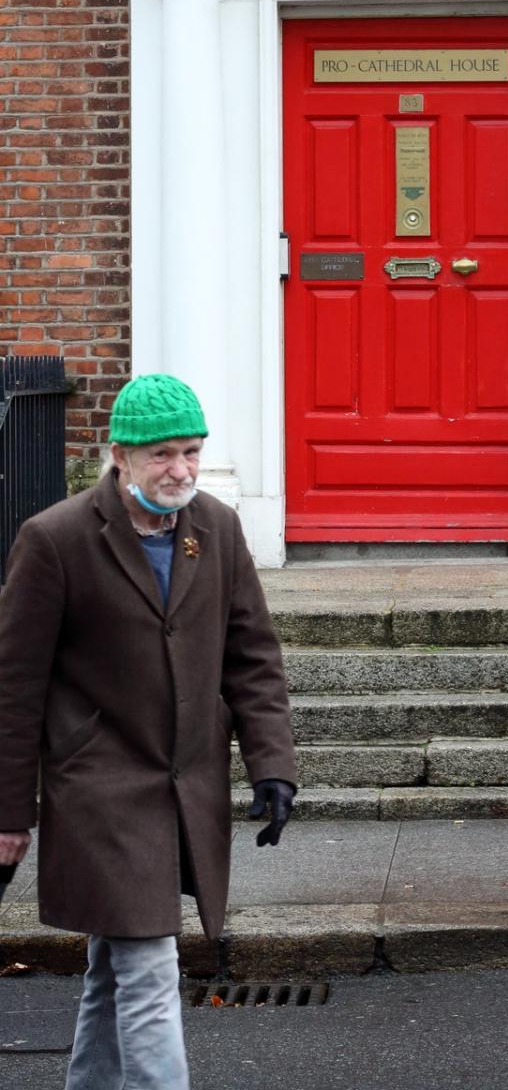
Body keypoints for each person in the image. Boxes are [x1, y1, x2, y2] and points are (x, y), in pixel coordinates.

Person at [0, 373, 297, 1089]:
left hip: (186, 783)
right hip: (99, 787)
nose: (181, 470)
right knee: (149, 966)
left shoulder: (217, 529)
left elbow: (251, 656)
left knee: (119, 960)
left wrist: (272, 764)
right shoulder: (55, 539)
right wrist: (9, 815)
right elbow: (14, 688)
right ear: (120, 455)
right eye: (163, 454)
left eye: (191, 452)